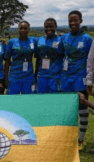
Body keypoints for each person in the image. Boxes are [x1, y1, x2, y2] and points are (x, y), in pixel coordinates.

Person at [60, 10, 93, 148]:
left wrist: (89, 80)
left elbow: (91, 61)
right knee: (68, 110)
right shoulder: (64, 38)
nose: (73, 23)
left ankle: (80, 140)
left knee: (82, 108)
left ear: (81, 21)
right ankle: (68, 138)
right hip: (66, 78)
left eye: (75, 20)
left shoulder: (87, 39)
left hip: (81, 78)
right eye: (70, 21)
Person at [4, 21, 38, 94]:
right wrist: (6, 78)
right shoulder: (12, 42)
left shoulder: (34, 41)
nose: (23, 30)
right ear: (18, 29)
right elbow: (7, 60)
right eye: (21, 28)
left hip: (28, 77)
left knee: (28, 101)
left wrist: (36, 75)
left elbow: (38, 58)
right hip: (14, 77)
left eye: (25, 28)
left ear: (29, 29)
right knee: (12, 101)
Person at [35, 18, 64, 93]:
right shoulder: (39, 40)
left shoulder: (61, 40)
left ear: (56, 27)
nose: (49, 29)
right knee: (41, 99)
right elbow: (38, 59)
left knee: (54, 100)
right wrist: (36, 75)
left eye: (51, 26)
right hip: (42, 76)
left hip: (56, 76)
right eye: (46, 27)